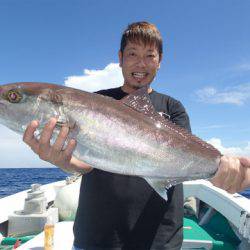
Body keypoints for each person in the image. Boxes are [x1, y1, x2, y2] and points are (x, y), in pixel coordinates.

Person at [23, 22, 250, 250]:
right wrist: (62, 160)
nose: (141, 63)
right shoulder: (96, 100)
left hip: (160, 239)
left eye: (149, 56)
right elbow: (84, 163)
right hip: (98, 237)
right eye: (132, 54)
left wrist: (223, 171)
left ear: (159, 61)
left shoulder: (173, 108)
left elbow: (187, 161)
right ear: (120, 58)